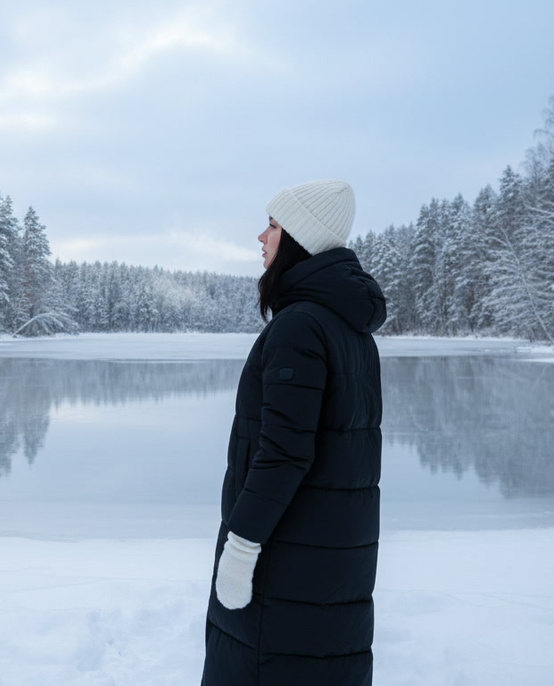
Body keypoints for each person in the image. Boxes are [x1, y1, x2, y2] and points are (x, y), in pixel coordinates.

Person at [201, 179, 387, 685]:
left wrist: (240, 549)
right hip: (329, 569)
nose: (261, 237)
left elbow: (283, 454)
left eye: (274, 225)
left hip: (284, 567)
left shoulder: (299, 327)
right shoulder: (350, 331)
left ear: (300, 238)